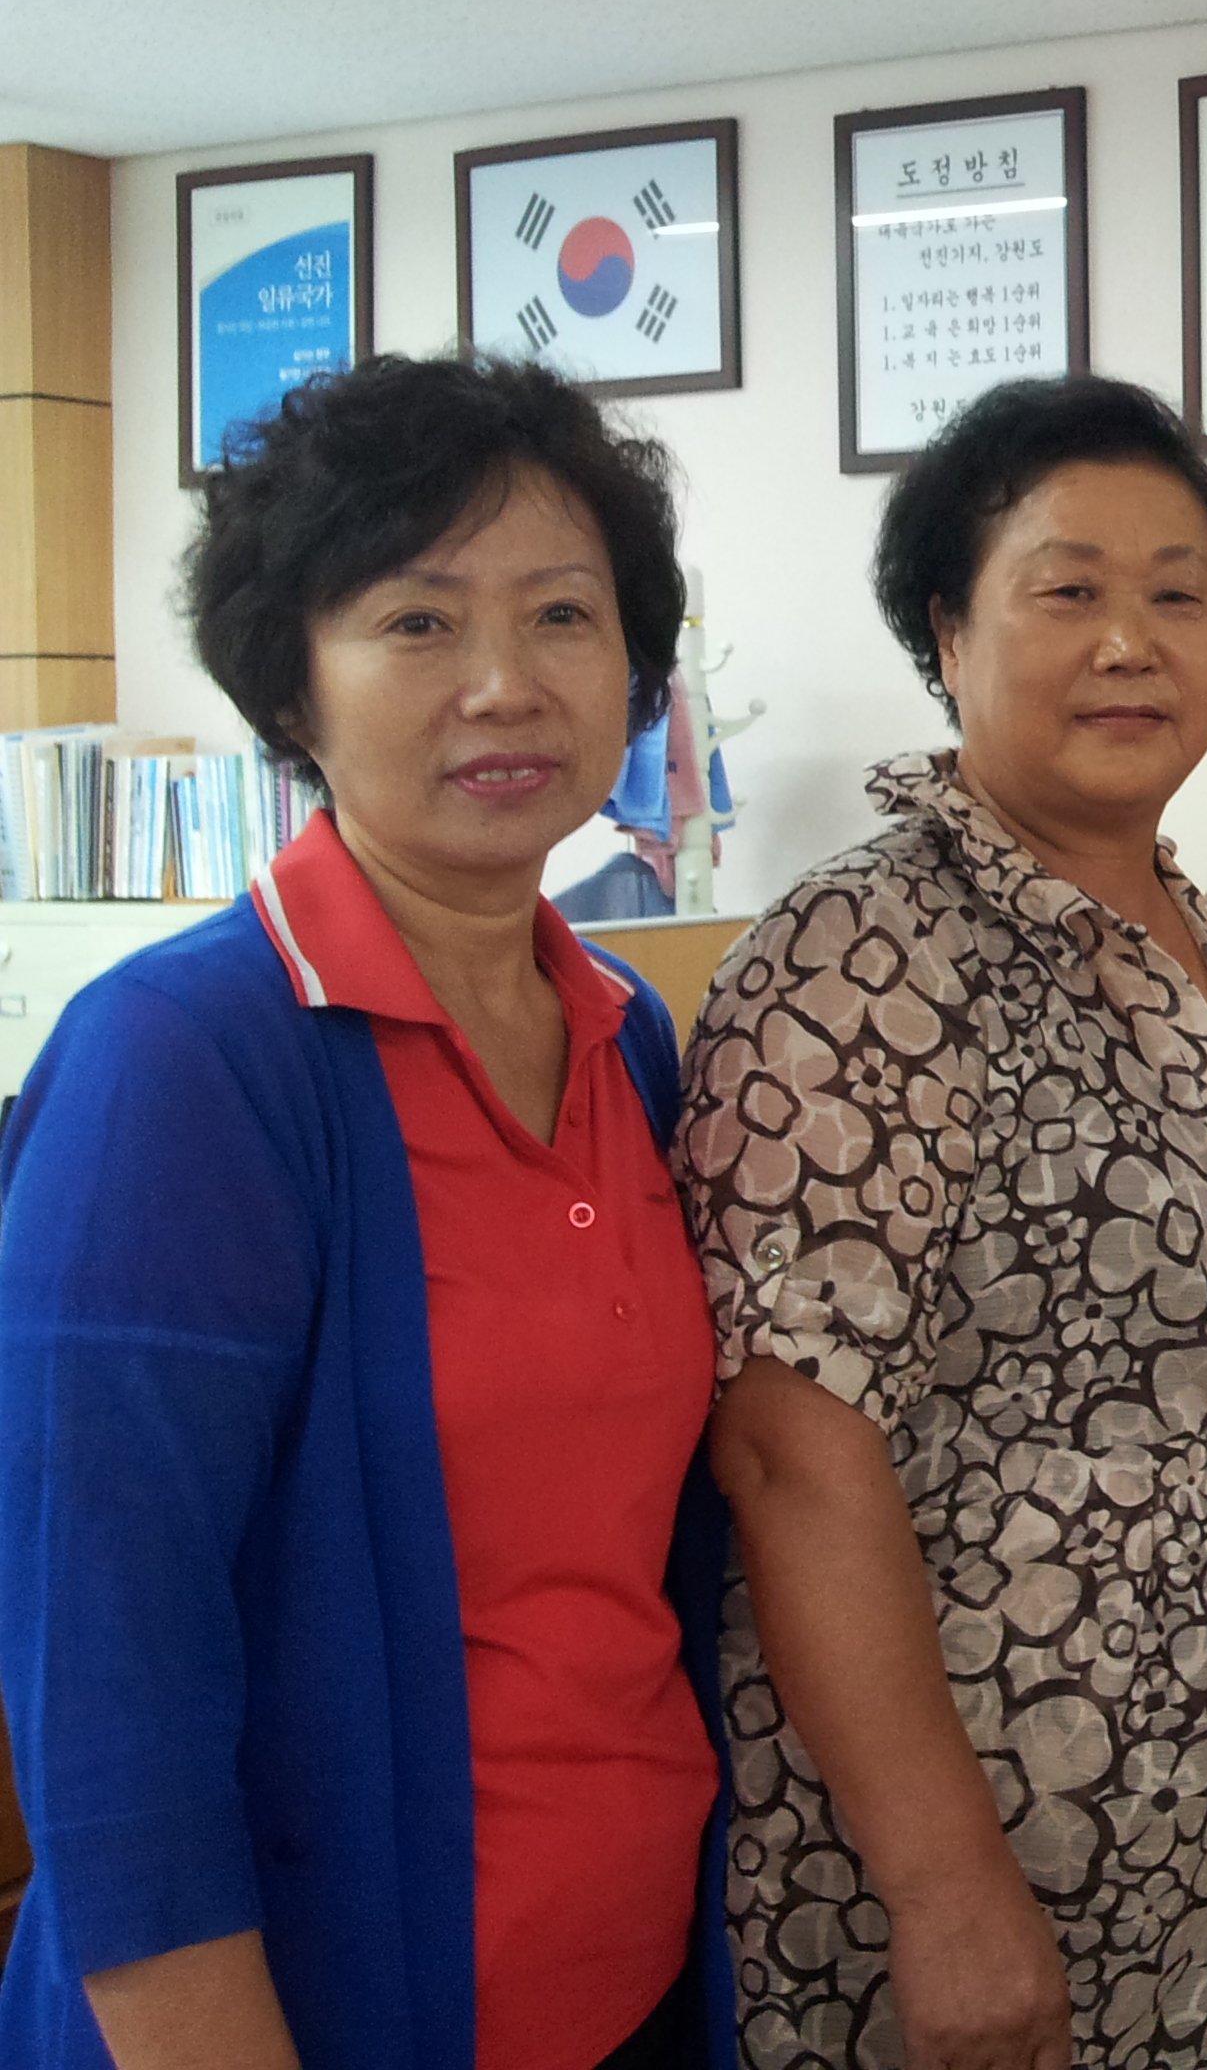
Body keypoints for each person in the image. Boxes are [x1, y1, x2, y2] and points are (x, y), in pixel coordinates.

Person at [0, 354, 733, 2068]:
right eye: (417, 621)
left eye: (564, 615)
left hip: (637, 1981)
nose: (505, 683)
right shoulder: (184, 1060)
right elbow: (106, 1685)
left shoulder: (629, 1036)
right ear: (293, 682)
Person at [680, 376, 1207, 2070]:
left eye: (1180, 594)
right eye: (1068, 590)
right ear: (948, 627)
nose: (1131, 642)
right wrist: (944, 1890)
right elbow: (787, 1446)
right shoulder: (863, 956)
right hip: (983, 1819)